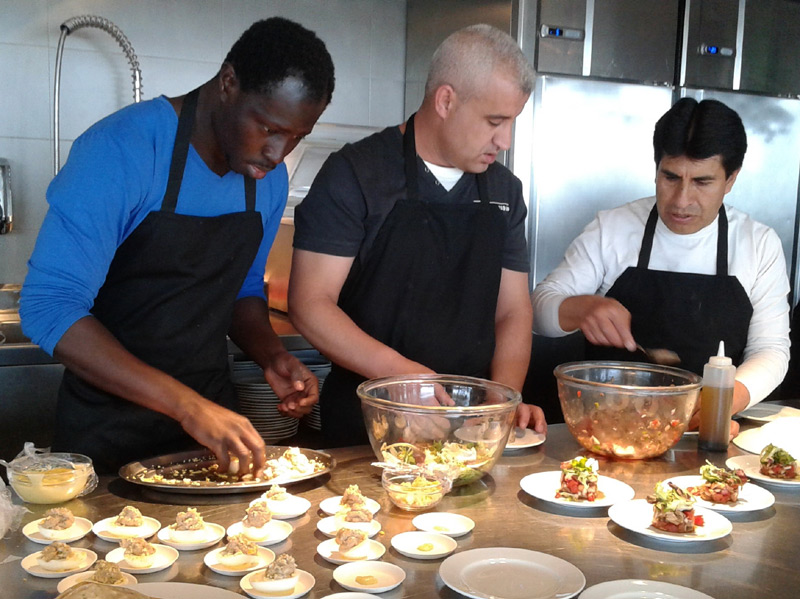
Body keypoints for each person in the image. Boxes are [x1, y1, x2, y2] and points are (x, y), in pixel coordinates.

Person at [19, 17, 335, 474]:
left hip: (212, 433)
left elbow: (242, 290)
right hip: (107, 431)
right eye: (268, 128)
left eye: (296, 138)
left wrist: (272, 355)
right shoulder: (120, 149)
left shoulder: (264, 182)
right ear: (228, 83)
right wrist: (186, 406)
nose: (278, 153)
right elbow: (49, 307)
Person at [289, 24, 546, 447]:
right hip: (366, 427)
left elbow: (513, 311)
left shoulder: (504, 191)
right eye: (495, 121)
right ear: (446, 100)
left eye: (512, 122)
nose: (505, 140)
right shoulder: (357, 173)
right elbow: (309, 302)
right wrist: (403, 379)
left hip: (470, 430)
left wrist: (502, 401)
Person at [531, 98, 790, 433]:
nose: (682, 200)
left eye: (702, 182)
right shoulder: (613, 228)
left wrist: (720, 403)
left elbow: (771, 351)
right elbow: (538, 311)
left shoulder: (758, 244)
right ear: (656, 169)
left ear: (730, 180)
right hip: (610, 427)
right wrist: (580, 309)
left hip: (710, 432)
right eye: (670, 177)